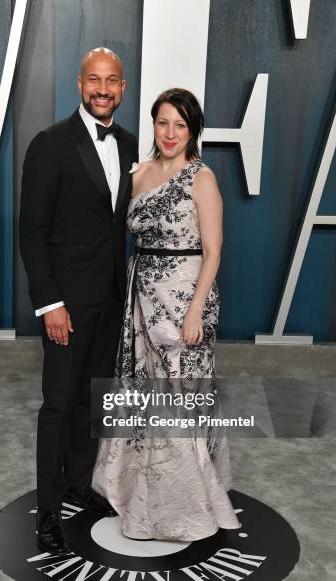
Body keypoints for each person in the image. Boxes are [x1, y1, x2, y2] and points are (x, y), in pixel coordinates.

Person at [92, 88, 241, 541]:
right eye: (162, 123)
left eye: (180, 124)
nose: (170, 133)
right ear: (153, 125)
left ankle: (186, 509)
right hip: (141, 298)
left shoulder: (202, 178)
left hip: (185, 300)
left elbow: (213, 253)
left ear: (193, 129)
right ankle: (146, 499)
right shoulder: (138, 175)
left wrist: (195, 312)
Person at [19, 48, 138, 554]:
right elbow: (32, 231)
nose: (103, 89)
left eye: (111, 81)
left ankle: (79, 483)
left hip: (111, 300)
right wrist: (51, 304)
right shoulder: (50, 144)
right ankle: (48, 514)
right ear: (79, 83)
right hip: (67, 303)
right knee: (58, 406)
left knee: (93, 403)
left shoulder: (131, 144)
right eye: (94, 80)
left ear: (123, 87)